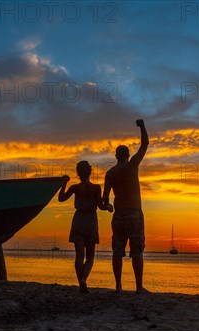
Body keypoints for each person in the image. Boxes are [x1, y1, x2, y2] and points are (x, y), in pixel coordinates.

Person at [103, 119, 149, 293]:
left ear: (116, 156)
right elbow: (145, 144)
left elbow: (105, 199)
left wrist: (108, 207)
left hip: (119, 216)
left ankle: (118, 286)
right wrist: (142, 126)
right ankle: (138, 287)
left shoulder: (111, 173)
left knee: (117, 252)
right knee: (137, 251)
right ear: (128, 155)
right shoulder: (132, 166)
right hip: (134, 215)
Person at [59, 161, 113, 293]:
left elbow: (61, 198)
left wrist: (64, 183)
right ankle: (83, 280)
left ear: (78, 173)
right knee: (90, 256)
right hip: (90, 221)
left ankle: (81, 283)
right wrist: (109, 207)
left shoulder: (75, 188)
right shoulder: (96, 188)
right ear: (90, 172)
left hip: (78, 220)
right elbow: (101, 206)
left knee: (79, 255)